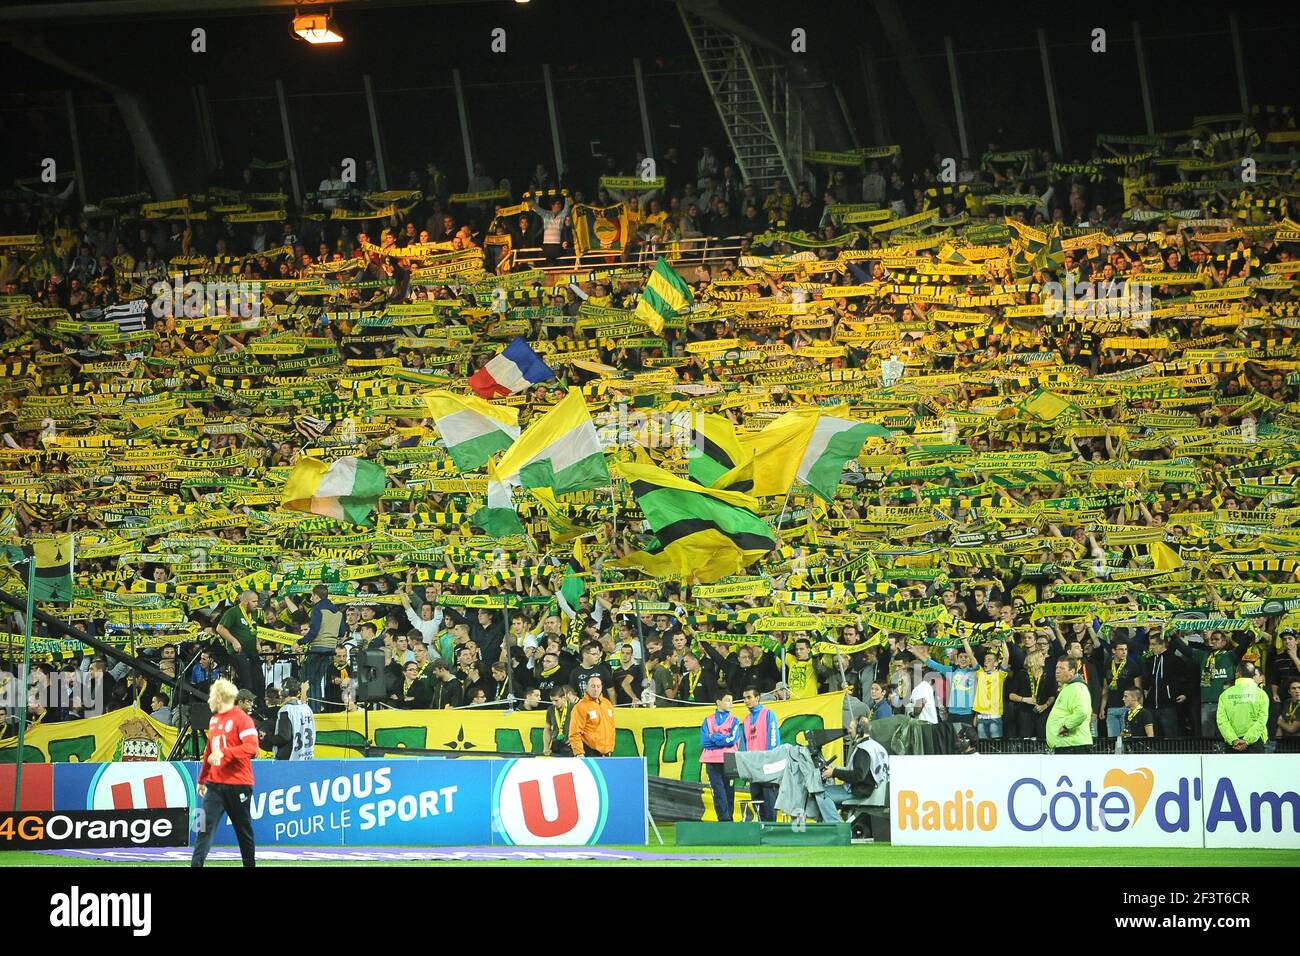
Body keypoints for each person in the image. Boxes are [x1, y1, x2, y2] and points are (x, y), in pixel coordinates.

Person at [192, 678, 258, 868]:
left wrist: (225, 753)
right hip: (215, 784)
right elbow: (208, 751)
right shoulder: (214, 720)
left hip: (238, 784)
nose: (208, 700)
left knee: (242, 830)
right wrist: (202, 779)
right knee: (204, 828)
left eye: (211, 696)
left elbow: (252, 747)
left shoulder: (242, 719)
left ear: (220, 697)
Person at [298, 585, 343, 714]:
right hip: (330, 649)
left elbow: (314, 631)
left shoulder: (317, 608)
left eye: (312, 596)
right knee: (317, 680)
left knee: (308, 679)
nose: (311, 598)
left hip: (317, 648)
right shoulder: (337, 611)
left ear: (316, 596)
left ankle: (313, 711)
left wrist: (299, 642)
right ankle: (316, 710)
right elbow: (342, 631)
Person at [739, 685, 781, 821]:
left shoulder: (768, 714)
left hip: (767, 766)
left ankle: (772, 829)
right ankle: (762, 827)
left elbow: (773, 738)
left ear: (758, 698)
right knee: (756, 798)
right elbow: (744, 744)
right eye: (744, 698)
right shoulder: (745, 720)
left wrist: (770, 760)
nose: (746, 701)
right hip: (753, 767)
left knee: (769, 799)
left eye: (749, 697)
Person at [699, 690, 742, 822]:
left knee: (729, 791)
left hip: (730, 759)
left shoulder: (734, 720)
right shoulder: (707, 720)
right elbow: (705, 742)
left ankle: (729, 819)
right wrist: (723, 739)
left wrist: (715, 737)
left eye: (731, 700)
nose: (731, 703)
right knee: (718, 792)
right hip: (711, 761)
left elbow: (733, 740)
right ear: (718, 702)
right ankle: (724, 820)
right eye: (728, 700)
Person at [1216, 662, 1269, 754]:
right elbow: (1262, 720)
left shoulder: (1224, 695)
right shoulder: (1261, 694)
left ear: (1237, 674)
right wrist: (1247, 740)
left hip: (1233, 744)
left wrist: (1233, 739)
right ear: (1253, 675)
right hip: (1256, 742)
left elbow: (1221, 721)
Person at [1045, 656, 1092, 754]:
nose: (1057, 671)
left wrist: (1066, 726)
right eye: (1057, 668)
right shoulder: (1068, 687)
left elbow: (1081, 712)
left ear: (1072, 671)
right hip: (1067, 744)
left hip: (1073, 745)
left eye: (1062, 668)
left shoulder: (1077, 688)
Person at [567, 675, 616, 758]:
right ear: (587, 688)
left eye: (598, 686)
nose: (596, 689)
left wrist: (610, 749)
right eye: (592, 686)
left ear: (601, 687)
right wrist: (579, 753)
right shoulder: (580, 707)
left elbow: (612, 728)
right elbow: (574, 733)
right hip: (588, 752)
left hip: (607, 753)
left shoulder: (607, 704)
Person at [544, 684, 577, 756]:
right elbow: (547, 729)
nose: (554, 703)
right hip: (555, 745)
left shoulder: (574, 708)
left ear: (564, 698)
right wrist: (546, 747)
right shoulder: (550, 710)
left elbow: (583, 727)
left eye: (556, 700)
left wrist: (575, 740)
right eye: (552, 701)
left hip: (569, 746)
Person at [1118, 687, 1154, 751]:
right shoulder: (1127, 713)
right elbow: (1127, 731)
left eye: (1126, 696)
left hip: (1142, 751)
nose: (1123, 699)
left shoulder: (1145, 713)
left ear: (1135, 698)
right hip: (1132, 751)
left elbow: (1150, 735)